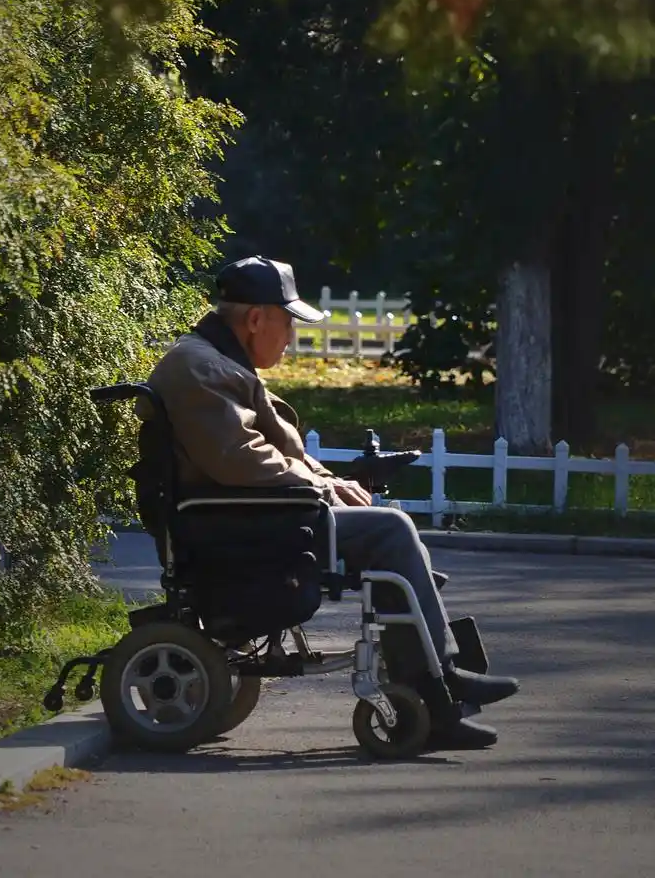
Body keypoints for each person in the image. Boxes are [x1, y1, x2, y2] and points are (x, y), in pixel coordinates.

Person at [141, 255, 519, 749]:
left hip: (250, 514)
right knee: (390, 533)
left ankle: (437, 686)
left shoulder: (216, 362)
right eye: (287, 321)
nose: (292, 336)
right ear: (256, 318)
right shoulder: (200, 366)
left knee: (388, 528)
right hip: (240, 523)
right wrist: (320, 487)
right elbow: (239, 459)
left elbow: (268, 456)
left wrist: (331, 480)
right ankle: (438, 684)